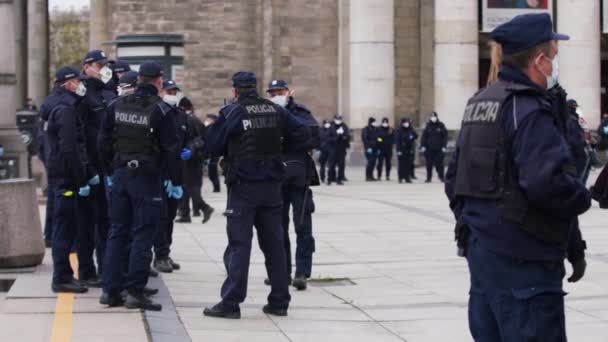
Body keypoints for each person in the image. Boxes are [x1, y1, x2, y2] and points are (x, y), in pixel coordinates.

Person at [445, 13, 590, 341]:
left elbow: (454, 181)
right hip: (526, 260)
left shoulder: (480, 102)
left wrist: (478, 228)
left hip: (484, 258)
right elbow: (548, 184)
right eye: (553, 58)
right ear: (538, 60)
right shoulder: (528, 109)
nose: (554, 67)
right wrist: (583, 196)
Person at [203, 71, 309, 319]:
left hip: (244, 186)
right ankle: (279, 301)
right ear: (256, 88)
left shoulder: (233, 111)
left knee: (239, 245)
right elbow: (303, 133)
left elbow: (213, 145)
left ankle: (231, 303)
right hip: (272, 186)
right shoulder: (275, 110)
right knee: (274, 245)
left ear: (234, 91)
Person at [99, 60, 179, 311]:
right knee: (143, 234)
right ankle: (135, 290)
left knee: (117, 232)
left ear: (139, 80)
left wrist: (111, 170)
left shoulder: (115, 105)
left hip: (121, 174)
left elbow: (102, 142)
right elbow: (171, 149)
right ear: (158, 80)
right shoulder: (162, 110)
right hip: (147, 178)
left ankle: (110, 291)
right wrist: (170, 177)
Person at [266, 79, 320, 291]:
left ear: (289, 92)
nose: (276, 95)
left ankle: (302, 272)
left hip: (299, 177)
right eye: (273, 93)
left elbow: (313, 136)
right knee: (278, 228)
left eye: (279, 91)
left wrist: (286, 135)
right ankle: (282, 272)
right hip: (276, 177)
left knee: (302, 226)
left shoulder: (300, 112)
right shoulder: (266, 112)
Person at [44, 66, 90, 293]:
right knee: (64, 229)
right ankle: (61, 277)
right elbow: (70, 148)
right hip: (66, 178)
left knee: (65, 227)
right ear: (67, 83)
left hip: (61, 175)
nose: (80, 84)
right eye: (77, 81)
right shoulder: (65, 110)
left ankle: (64, 276)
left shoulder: (62, 106)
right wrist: (81, 179)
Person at [76, 49, 116, 288]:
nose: (104, 69)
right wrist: (87, 170)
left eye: (105, 65)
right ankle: (86, 270)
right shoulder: (82, 94)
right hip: (89, 168)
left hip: (107, 167)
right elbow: (79, 134)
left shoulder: (108, 92)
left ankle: (105, 268)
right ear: (87, 66)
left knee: (106, 221)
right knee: (86, 223)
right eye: (99, 65)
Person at [152, 80, 189, 274]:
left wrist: (190, 149)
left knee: (170, 217)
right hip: (160, 173)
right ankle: (160, 255)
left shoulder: (181, 115)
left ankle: (166, 251)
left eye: (175, 90)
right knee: (160, 216)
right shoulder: (158, 112)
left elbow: (191, 138)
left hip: (176, 173)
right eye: (169, 90)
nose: (172, 93)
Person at [420, 112, 447, 183]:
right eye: (431, 116)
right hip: (429, 149)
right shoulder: (428, 126)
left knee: (439, 164)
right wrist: (423, 146)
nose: (433, 118)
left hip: (439, 149)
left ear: (436, 117)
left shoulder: (441, 125)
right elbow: (424, 137)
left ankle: (441, 177)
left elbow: (445, 137)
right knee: (429, 164)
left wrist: (444, 146)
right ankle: (428, 178)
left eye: (434, 116)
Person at [327, 114, 350, 185]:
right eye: (337, 119)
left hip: (341, 149)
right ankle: (330, 179)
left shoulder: (344, 126)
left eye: (339, 119)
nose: (338, 120)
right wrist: (336, 138)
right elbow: (327, 138)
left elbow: (348, 136)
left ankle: (339, 179)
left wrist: (344, 137)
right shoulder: (331, 127)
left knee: (341, 165)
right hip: (333, 149)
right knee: (331, 165)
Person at [203, 114, 222, 193]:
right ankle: (216, 187)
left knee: (212, 171)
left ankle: (217, 188)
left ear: (213, 119)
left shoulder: (214, 128)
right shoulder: (209, 127)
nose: (207, 120)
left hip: (213, 153)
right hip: (209, 152)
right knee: (212, 172)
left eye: (208, 119)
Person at [395, 118, 417, 183]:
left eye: (407, 122)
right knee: (401, 164)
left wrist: (412, 137)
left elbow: (416, 136)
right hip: (401, 149)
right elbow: (397, 141)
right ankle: (400, 177)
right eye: (405, 122)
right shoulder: (399, 130)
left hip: (409, 149)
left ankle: (407, 177)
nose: (406, 124)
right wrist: (398, 150)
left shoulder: (410, 129)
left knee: (408, 164)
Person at [361, 117, 379, 181]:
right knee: (370, 162)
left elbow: (378, 138)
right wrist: (369, 146)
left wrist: (379, 140)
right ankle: (367, 176)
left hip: (375, 148)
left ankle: (371, 176)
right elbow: (365, 139)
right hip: (369, 148)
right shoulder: (366, 129)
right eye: (374, 122)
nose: (375, 123)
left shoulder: (376, 129)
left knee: (373, 162)